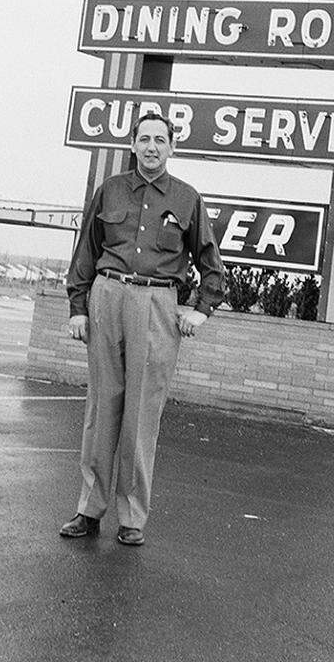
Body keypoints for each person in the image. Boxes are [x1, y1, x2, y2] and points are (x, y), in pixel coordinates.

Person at [60, 111, 226, 547]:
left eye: (161, 140)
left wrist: (200, 311)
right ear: (133, 145)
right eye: (144, 139)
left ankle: (132, 517)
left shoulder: (187, 199)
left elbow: (212, 266)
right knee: (102, 409)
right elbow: (85, 254)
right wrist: (78, 308)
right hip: (107, 296)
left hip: (157, 304)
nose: (152, 146)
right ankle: (89, 510)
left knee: (142, 413)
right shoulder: (110, 191)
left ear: (172, 148)